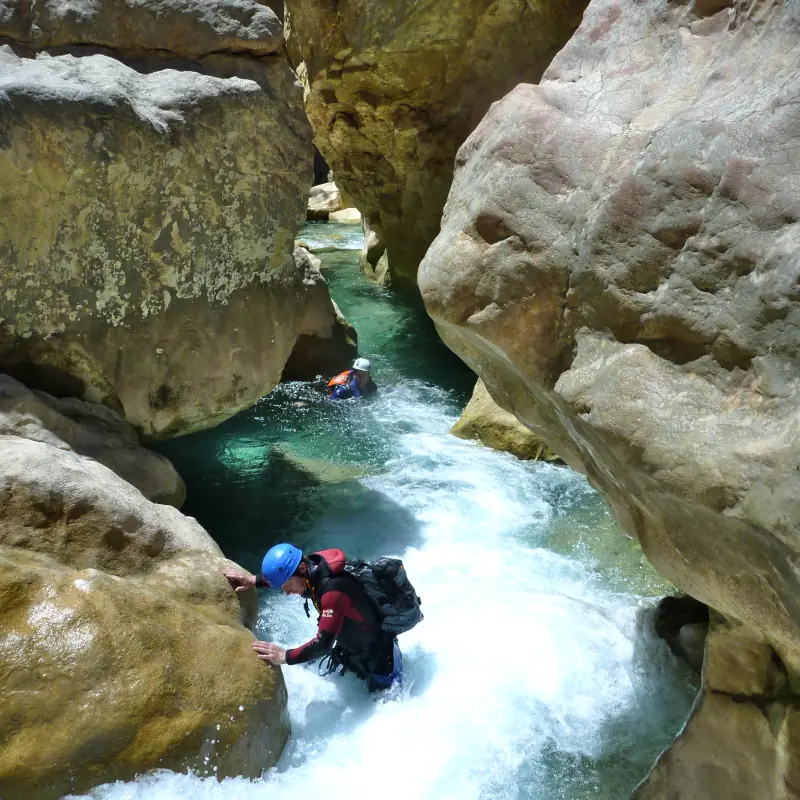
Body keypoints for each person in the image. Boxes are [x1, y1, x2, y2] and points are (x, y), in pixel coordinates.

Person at [223, 543, 403, 693]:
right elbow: (285, 574)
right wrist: (253, 580)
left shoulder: (333, 590)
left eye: (286, 586)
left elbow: (323, 644)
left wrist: (284, 656)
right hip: (351, 650)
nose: (286, 592)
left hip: (380, 658)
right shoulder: (312, 569)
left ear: (301, 569)